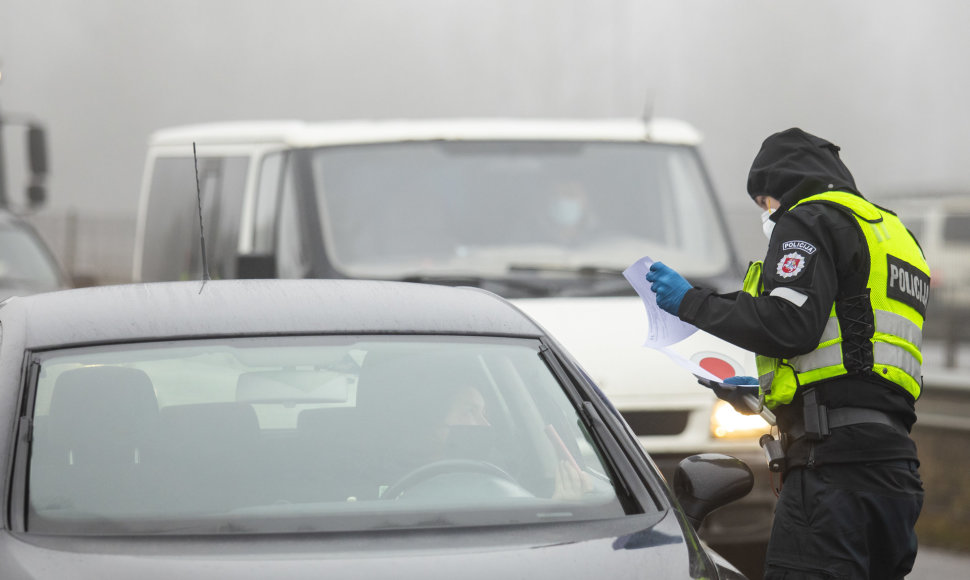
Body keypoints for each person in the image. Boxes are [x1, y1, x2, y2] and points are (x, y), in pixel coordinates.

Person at [646, 128, 927, 579]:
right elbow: (859, 363)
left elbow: (789, 323)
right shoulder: (897, 236)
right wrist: (766, 396)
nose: (767, 212)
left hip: (834, 474)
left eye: (764, 201)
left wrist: (689, 302)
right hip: (896, 472)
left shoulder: (810, 218)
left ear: (783, 185)